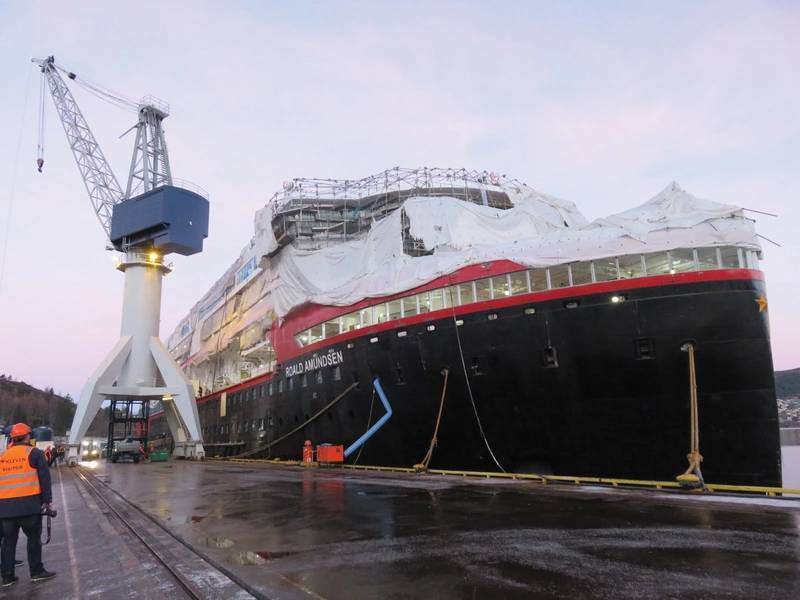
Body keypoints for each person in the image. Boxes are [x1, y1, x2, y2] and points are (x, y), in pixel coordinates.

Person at [0, 423, 56, 587]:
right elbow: (45, 480)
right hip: (29, 507)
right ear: (27, 437)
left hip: (6, 510)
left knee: (8, 543)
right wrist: (47, 502)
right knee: (33, 540)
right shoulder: (35, 454)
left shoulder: (2, 456)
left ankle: (7, 576)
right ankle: (36, 572)